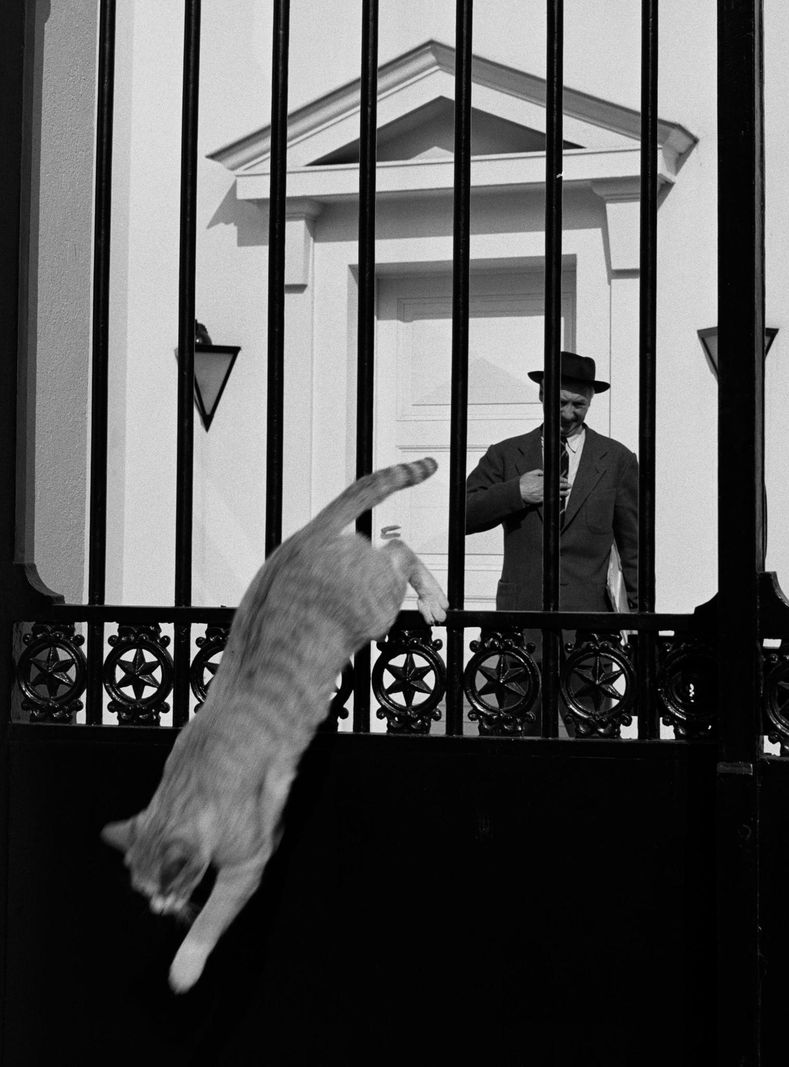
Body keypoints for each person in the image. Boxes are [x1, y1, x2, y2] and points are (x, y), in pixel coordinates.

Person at [465, 351, 638, 732]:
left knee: (595, 739)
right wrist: (516, 493)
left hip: (590, 631)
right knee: (512, 738)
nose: (570, 413)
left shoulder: (617, 459)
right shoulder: (507, 454)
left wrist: (639, 624)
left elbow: (634, 548)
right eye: (561, 402)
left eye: (580, 404)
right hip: (519, 625)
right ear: (543, 395)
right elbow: (460, 516)